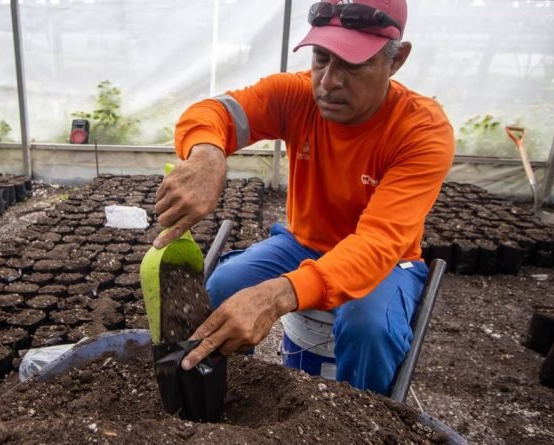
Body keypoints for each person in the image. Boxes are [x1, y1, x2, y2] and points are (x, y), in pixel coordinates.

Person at [153, 0, 454, 395]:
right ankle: (222, 398)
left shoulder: (421, 130)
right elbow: (217, 112)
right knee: (222, 286)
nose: (328, 82)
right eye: (321, 58)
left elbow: (378, 243)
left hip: (387, 260)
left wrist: (278, 294)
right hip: (303, 243)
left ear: (396, 60)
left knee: (368, 329)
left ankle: (362, 421)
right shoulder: (296, 96)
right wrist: (208, 153)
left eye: (352, 64)